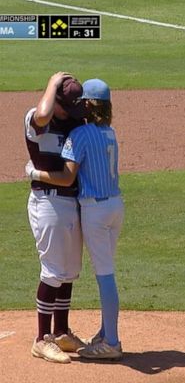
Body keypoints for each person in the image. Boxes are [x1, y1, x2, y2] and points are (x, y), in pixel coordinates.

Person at [26, 78, 125, 360]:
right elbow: (42, 116)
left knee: (94, 274)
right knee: (69, 270)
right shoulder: (110, 132)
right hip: (114, 206)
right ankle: (93, 334)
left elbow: (68, 176)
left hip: (92, 209)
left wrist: (34, 173)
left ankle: (110, 340)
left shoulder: (79, 134)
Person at [25, 72, 87, 363]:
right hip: (47, 202)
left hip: (71, 201)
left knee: (69, 270)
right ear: (55, 99)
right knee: (52, 270)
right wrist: (51, 81)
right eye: (67, 106)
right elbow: (43, 113)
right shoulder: (36, 121)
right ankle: (42, 338)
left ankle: (61, 332)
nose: (72, 113)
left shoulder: (73, 119)